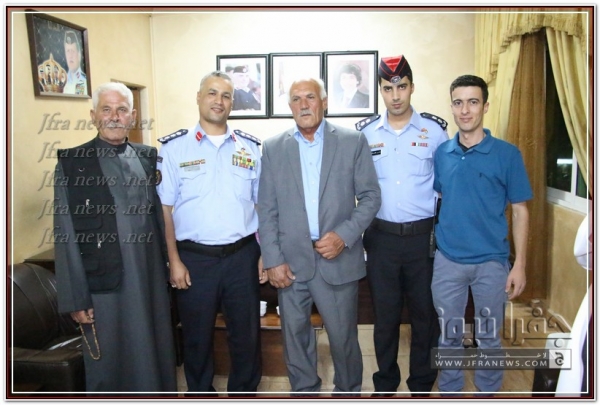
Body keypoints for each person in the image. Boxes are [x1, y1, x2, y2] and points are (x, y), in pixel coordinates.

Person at [256, 77, 381, 395]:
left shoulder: (352, 141)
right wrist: (272, 258)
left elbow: (370, 197)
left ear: (324, 102)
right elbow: (266, 209)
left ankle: (348, 393)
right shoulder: (273, 148)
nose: (303, 105)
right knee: (295, 340)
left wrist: (343, 235)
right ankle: (305, 393)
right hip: (290, 263)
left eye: (310, 97)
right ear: (290, 107)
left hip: (337, 258)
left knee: (343, 340)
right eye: (296, 99)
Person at [53, 82, 177, 393]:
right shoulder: (72, 163)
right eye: (106, 109)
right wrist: (76, 298)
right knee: (110, 362)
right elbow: (65, 235)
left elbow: (159, 218)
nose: (114, 116)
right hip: (103, 288)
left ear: (132, 117)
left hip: (149, 281)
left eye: (122, 110)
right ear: (93, 115)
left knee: (155, 352)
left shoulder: (147, 157)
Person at [157, 71, 265, 396]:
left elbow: (263, 206)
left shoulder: (250, 147)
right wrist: (173, 261)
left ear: (233, 103)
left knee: (246, 336)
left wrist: (265, 253)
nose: (219, 101)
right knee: (196, 336)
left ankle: (243, 394)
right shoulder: (174, 148)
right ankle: (201, 394)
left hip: (242, 256)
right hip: (194, 259)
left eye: (226, 95)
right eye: (212, 93)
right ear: (199, 97)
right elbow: (164, 209)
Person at [431, 74, 533, 395]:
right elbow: (443, 198)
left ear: (485, 106)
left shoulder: (508, 155)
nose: (465, 110)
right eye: (458, 103)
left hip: (491, 262)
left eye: (473, 102)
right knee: (448, 336)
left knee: (488, 336)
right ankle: (450, 392)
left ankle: (487, 393)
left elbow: (520, 211)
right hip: (448, 260)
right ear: (452, 107)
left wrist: (519, 265)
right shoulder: (442, 153)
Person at [355, 55, 448, 397]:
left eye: (402, 87)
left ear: (412, 87)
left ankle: (421, 384)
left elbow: (446, 187)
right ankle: (385, 384)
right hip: (381, 239)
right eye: (387, 88)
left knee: (425, 316)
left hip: (424, 239)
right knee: (385, 316)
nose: (395, 96)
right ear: (380, 91)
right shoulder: (365, 133)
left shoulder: (434, 131)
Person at [63, 30, 87, 95]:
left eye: (73, 51)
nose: (70, 56)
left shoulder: (83, 80)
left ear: (79, 55)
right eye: (68, 51)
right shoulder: (62, 81)